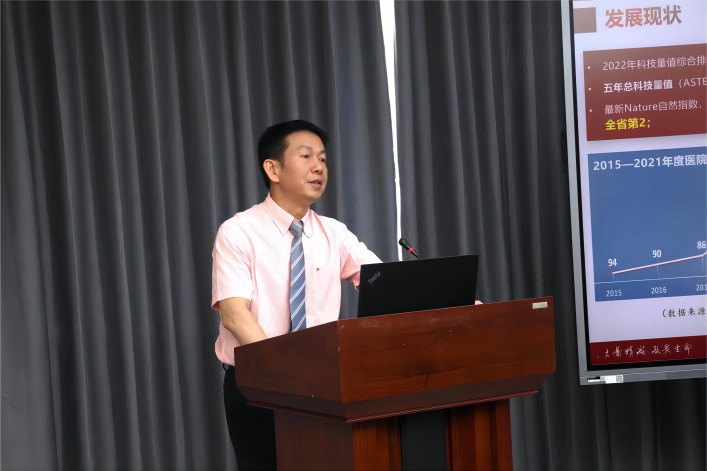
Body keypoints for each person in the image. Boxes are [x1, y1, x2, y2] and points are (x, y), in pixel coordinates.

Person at [211, 119, 381, 469]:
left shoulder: (334, 233)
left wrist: (454, 302)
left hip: (322, 385)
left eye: (323, 158)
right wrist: (283, 372)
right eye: (306, 156)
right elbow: (235, 314)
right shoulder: (238, 232)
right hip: (257, 385)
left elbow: (384, 281)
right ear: (273, 169)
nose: (319, 167)